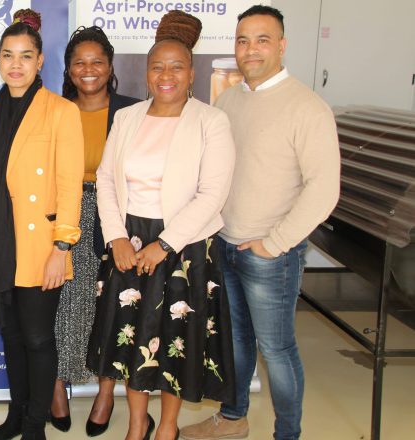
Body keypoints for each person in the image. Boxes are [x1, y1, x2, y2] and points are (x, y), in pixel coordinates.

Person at [180, 6, 340, 440]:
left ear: (282, 46)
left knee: (277, 349)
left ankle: (287, 434)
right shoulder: (230, 99)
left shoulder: (308, 108)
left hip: (271, 255)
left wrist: (276, 243)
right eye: (243, 40)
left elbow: (324, 190)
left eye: (262, 40)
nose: (250, 50)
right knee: (235, 343)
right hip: (227, 244)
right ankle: (234, 419)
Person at [95, 10, 237, 440]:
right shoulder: (127, 117)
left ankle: (168, 427)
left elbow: (212, 193)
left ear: (192, 72)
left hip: (185, 246)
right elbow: (105, 178)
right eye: (157, 66)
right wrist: (116, 235)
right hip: (128, 237)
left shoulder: (211, 121)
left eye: (177, 66)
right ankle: (138, 423)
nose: (166, 74)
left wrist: (165, 244)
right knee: (130, 337)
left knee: (176, 335)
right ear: (146, 72)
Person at [0, 9, 84, 440]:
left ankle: (35, 423)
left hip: (40, 247)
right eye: (7, 55)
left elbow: (70, 185)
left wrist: (63, 248)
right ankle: (16, 416)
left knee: (37, 338)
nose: (15, 64)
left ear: (39, 62)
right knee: (13, 338)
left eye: (25, 56)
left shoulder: (60, 111)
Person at [50, 26, 141, 436]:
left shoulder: (133, 112)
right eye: (79, 62)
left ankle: (106, 394)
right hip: (63, 218)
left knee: (110, 307)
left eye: (97, 61)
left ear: (110, 66)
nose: (88, 70)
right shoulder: (53, 109)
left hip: (117, 221)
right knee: (60, 307)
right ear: (68, 70)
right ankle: (56, 385)